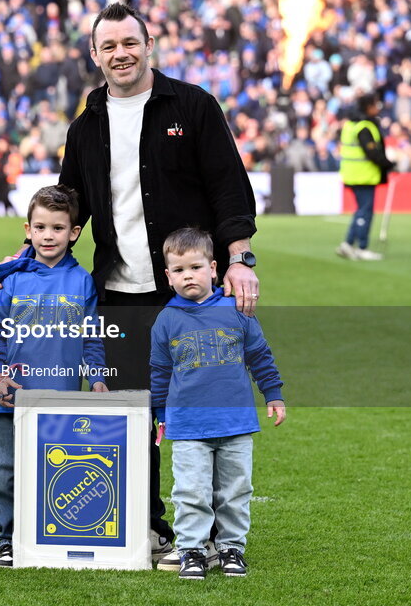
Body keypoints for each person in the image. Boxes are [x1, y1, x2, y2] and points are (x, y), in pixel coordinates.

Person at [55, 1, 258, 557]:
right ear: (94, 56)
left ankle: (218, 536)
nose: (121, 54)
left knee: (205, 414)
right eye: (109, 46)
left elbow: (229, 190)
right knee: (131, 416)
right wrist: (27, 263)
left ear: (149, 45)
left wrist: (240, 259)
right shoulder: (85, 127)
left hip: (193, 298)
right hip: (119, 299)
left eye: (129, 42)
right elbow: (68, 207)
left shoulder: (193, 107)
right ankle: (148, 527)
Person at [0, 185, 109, 568]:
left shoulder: (83, 281)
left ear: (74, 233)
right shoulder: (11, 278)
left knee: (57, 469)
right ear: (28, 229)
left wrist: (98, 377)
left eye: (57, 227)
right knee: (2, 474)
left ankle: (50, 533)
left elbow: (91, 335)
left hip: (61, 399)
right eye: (40, 227)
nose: (48, 235)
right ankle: (7, 539)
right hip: (10, 399)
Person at [150, 227, 285, 580]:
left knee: (235, 491)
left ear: (213, 268)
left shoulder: (237, 311)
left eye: (195, 267)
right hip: (188, 426)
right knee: (190, 491)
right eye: (179, 271)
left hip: (236, 424)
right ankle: (192, 549)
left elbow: (260, 355)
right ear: (168, 277)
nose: (188, 276)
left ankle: (231, 548)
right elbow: (160, 372)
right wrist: (161, 415)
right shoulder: (166, 320)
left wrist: (273, 394)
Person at [336, 92, 395, 261]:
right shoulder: (364, 127)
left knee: (361, 210)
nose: (377, 108)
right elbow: (372, 152)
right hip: (363, 175)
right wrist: (389, 164)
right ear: (368, 107)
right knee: (365, 211)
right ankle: (362, 247)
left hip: (353, 174)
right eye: (375, 105)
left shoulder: (351, 125)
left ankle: (348, 244)